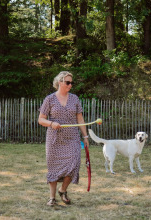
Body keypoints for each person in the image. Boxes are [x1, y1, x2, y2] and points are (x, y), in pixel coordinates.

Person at [38, 71, 89, 206]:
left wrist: (85, 136)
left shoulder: (75, 99)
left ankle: (63, 190)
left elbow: (80, 118)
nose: (70, 85)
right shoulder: (49, 99)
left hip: (72, 137)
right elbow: (41, 120)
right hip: (54, 139)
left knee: (74, 164)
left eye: (72, 82)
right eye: (68, 82)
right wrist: (51, 123)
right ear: (60, 82)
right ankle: (52, 197)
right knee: (53, 168)